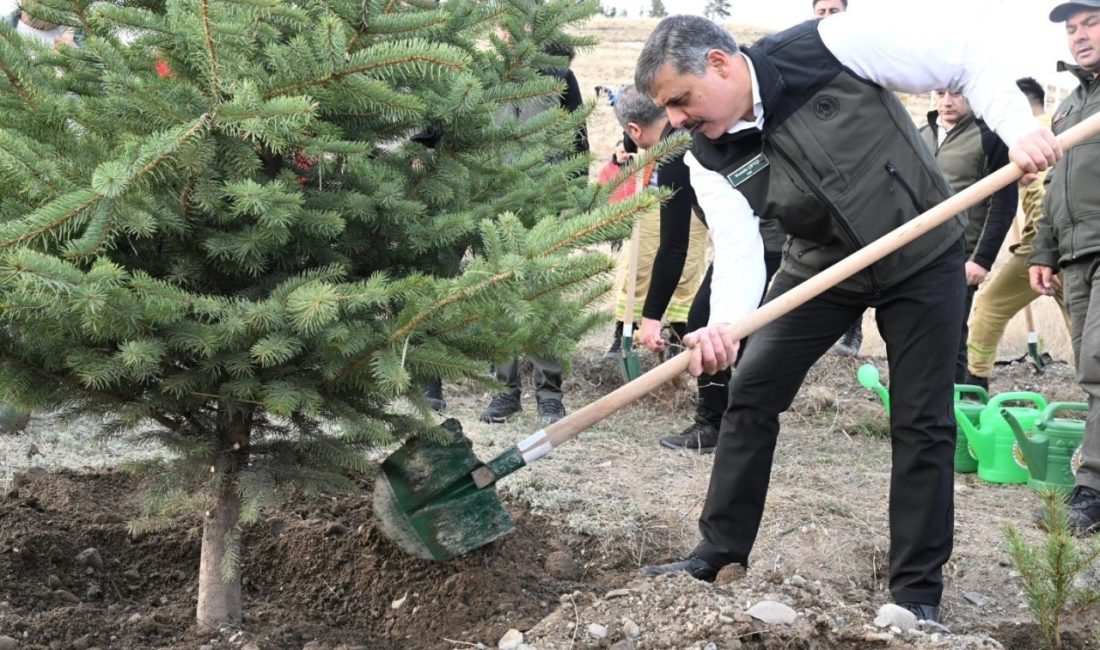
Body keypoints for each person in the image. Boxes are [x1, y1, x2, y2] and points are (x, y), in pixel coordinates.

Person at [634, 12, 1058, 623]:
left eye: (680, 99)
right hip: (820, 267)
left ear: (720, 65)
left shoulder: (829, 46)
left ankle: (915, 594)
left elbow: (965, 58)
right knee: (749, 391)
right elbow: (739, 245)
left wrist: (1017, 130)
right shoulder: (708, 149)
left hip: (922, 249)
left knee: (921, 418)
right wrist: (726, 323)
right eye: (667, 109)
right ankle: (719, 551)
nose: (675, 119)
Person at [611, 86, 783, 452]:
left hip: (762, 238)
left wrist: (652, 315)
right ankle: (728, 420)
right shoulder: (692, 133)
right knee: (719, 322)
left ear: (635, 130)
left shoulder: (674, 152)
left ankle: (722, 424)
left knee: (715, 323)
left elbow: (675, 244)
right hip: (754, 235)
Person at [480, 41, 589, 426]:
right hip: (495, 202)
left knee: (542, 298)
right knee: (500, 297)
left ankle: (550, 397)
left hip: (545, 203)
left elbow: (579, 141)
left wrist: (575, 199)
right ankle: (505, 394)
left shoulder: (560, 77)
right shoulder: (489, 74)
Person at [1029, 0, 1100, 537]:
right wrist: (1043, 250)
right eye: (1072, 28)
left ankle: (1094, 490)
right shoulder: (1070, 107)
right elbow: (1054, 185)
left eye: (1091, 22)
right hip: (1075, 254)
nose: (1079, 35)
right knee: (1090, 370)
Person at [967, 78, 1071, 390]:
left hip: (1045, 249)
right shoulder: (1058, 127)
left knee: (990, 307)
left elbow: (1043, 199)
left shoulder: (1032, 135)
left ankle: (975, 381)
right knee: (1083, 328)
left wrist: (1047, 251)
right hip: (1069, 245)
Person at [921, 89, 1019, 383]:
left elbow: (1003, 204)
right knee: (917, 330)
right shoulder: (920, 135)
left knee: (949, 332)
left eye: (957, 94)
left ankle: (959, 404)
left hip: (960, 257)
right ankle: (925, 400)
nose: (947, 101)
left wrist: (982, 259)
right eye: (940, 93)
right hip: (914, 256)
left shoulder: (989, 138)